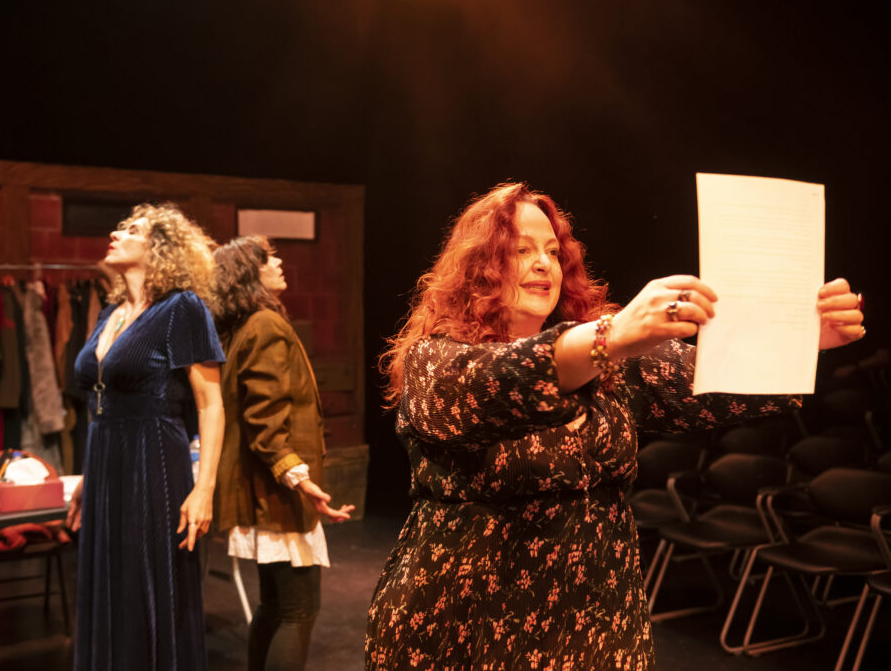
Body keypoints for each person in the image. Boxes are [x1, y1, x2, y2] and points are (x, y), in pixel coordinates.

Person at [365, 182, 866, 669]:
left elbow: (713, 379)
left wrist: (804, 338)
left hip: (598, 629)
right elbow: (497, 381)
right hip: (472, 630)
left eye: (553, 252)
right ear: (479, 269)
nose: (543, 263)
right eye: (520, 251)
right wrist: (613, 335)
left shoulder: (611, 365)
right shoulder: (437, 361)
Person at [66, 203, 226, 671]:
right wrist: (87, 476)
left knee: (149, 587)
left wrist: (204, 488)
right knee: (111, 588)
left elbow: (210, 404)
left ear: (161, 247)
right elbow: (101, 398)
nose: (117, 233)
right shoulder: (111, 312)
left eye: (132, 229)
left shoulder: (182, 308)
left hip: (153, 458)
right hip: (105, 462)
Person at [209, 235, 355, 671]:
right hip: (275, 496)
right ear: (248, 275)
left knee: (275, 607)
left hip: (265, 491)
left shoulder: (244, 326)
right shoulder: (265, 326)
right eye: (267, 258)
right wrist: (300, 479)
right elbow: (265, 421)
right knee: (297, 610)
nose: (278, 262)